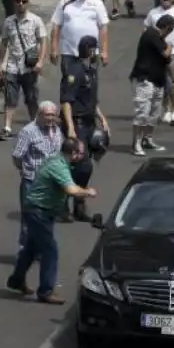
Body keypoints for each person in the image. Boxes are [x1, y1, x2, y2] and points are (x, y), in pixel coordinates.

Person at [6, 137, 98, 305]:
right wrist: (87, 192)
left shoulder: (57, 159)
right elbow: (71, 189)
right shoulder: (58, 166)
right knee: (50, 250)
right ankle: (46, 291)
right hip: (38, 211)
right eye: (81, 153)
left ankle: (16, 280)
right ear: (74, 153)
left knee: (31, 249)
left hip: (40, 210)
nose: (83, 156)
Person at [59, 36, 110, 222]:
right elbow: (66, 101)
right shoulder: (74, 71)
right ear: (89, 51)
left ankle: (79, 206)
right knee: (79, 164)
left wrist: (102, 118)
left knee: (86, 166)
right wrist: (71, 128)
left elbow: (90, 100)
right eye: (94, 49)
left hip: (89, 122)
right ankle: (63, 204)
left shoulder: (91, 71)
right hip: (77, 122)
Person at [12, 101, 63, 250]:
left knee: (48, 218)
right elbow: (17, 155)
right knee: (30, 219)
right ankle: (25, 250)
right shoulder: (28, 131)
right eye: (47, 115)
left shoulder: (56, 130)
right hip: (32, 182)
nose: (51, 118)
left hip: (52, 184)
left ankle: (43, 248)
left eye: (53, 115)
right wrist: (24, 171)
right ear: (39, 115)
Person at [0, 0, 48, 140]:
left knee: (31, 98)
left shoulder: (35, 21)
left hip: (29, 67)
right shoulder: (9, 22)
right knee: (10, 98)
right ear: (14, 3)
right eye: (18, 1)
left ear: (28, 3)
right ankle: (6, 127)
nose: (20, 4)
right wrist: (1, 64)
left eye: (23, 1)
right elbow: (4, 43)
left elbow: (43, 41)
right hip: (13, 65)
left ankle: (35, 126)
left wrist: (40, 62)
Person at [131, 14, 174, 156]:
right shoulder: (151, 34)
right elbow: (165, 54)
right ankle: (136, 143)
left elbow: (167, 62)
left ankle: (148, 139)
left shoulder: (160, 40)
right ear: (167, 27)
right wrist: (171, 45)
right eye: (172, 29)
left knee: (154, 113)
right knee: (142, 112)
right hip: (146, 79)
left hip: (158, 80)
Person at [49, 0, 110, 73]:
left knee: (89, 85)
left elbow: (103, 28)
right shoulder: (65, 2)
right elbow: (56, 26)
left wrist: (104, 51)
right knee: (69, 85)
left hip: (91, 52)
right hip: (69, 52)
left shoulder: (97, 3)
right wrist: (54, 49)